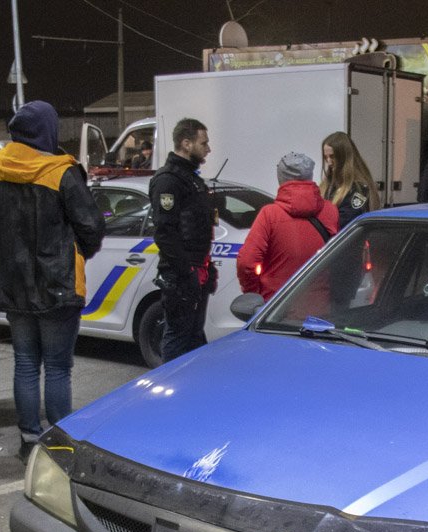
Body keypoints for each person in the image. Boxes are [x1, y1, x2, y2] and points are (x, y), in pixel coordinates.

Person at [0, 101, 105, 462]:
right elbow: (91, 225)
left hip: (12, 285)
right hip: (56, 284)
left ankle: (29, 438)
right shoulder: (60, 171)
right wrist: (77, 251)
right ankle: (60, 442)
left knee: (25, 361)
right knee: (58, 366)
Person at [149, 118, 217, 362]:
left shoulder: (191, 179)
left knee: (194, 338)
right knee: (178, 338)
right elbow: (165, 233)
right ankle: (171, 390)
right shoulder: (169, 180)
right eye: (204, 143)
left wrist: (206, 271)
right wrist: (186, 273)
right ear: (186, 144)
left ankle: (194, 391)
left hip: (196, 272)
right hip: (180, 276)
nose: (208, 149)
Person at [237, 152, 338, 300]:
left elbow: (246, 262)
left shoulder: (269, 214)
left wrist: (254, 293)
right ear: (310, 176)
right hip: (320, 306)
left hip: (277, 307)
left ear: (281, 178)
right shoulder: (330, 211)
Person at [319, 131, 379, 228]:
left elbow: (344, 222)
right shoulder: (328, 185)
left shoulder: (359, 189)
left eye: (332, 157)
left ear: (344, 157)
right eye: (326, 157)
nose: (329, 162)